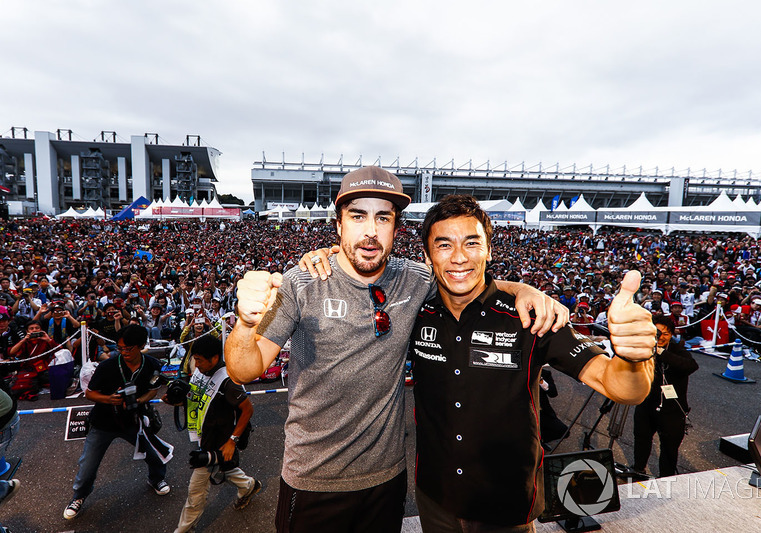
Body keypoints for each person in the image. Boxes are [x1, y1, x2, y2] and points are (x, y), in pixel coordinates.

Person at [225, 167, 569, 533]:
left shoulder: (415, 279)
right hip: (314, 481)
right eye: (357, 216)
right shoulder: (302, 282)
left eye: (383, 218)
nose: (370, 230)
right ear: (338, 225)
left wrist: (522, 289)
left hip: (387, 482)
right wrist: (245, 325)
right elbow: (244, 369)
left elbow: (466, 277)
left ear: (395, 228)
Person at [409, 195, 656, 531]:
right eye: (444, 245)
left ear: (489, 251)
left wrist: (632, 357)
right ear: (427, 256)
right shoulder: (414, 311)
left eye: (472, 243)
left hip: (506, 504)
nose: (459, 257)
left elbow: (622, 388)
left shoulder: (531, 315)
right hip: (435, 498)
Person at [63, 324, 172, 520]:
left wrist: (138, 401)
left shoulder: (153, 365)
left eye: (128, 348)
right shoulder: (108, 366)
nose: (123, 352)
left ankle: (157, 479)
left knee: (154, 453)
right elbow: (89, 393)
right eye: (120, 348)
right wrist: (109, 399)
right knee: (88, 465)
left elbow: (153, 390)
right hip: (103, 422)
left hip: (134, 420)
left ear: (141, 346)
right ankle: (79, 497)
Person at [167, 335, 261, 533]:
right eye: (195, 359)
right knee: (224, 469)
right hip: (205, 436)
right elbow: (197, 397)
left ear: (215, 358)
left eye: (200, 360)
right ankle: (248, 486)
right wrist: (177, 400)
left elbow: (248, 410)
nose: (196, 364)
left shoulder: (229, 380)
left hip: (219, 441)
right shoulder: (203, 371)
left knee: (196, 491)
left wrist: (232, 442)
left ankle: (184, 529)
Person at [632, 316, 698, 478]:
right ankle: (638, 469)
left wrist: (661, 353)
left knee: (669, 447)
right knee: (641, 438)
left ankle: (665, 478)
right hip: (646, 403)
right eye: (657, 333)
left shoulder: (677, 349)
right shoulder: (643, 348)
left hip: (672, 408)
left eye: (666, 334)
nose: (661, 337)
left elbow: (691, 366)